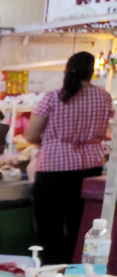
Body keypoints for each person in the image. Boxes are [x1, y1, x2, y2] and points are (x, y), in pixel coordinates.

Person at [26, 52, 114, 266]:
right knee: (81, 226)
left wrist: (49, 141)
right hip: (90, 166)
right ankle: (79, 271)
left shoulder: (54, 97)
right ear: (91, 72)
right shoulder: (104, 97)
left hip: (53, 167)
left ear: (67, 70)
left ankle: (49, 272)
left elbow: (30, 134)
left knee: (49, 228)